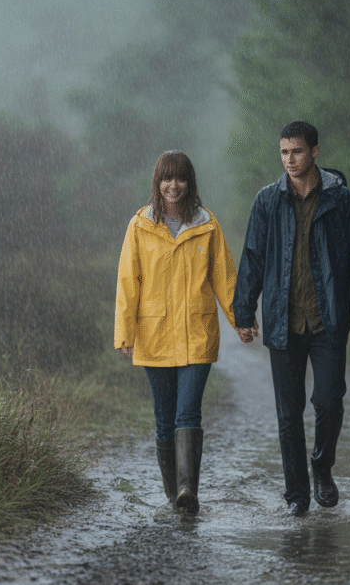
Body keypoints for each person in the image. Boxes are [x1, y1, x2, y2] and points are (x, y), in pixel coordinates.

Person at [233, 121, 350, 516]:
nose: (289, 160)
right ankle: (296, 495)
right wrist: (243, 311)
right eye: (283, 153)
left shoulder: (342, 200)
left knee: (329, 401)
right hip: (282, 321)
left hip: (328, 318)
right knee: (288, 413)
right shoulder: (267, 201)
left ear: (315, 151)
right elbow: (253, 259)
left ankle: (322, 467)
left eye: (296, 151)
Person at [114, 150, 241, 515]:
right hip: (153, 336)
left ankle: (187, 491)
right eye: (166, 178)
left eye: (180, 178)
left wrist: (240, 319)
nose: (173, 185)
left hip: (197, 334)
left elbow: (225, 278)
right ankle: (174, 495)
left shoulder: (207, 224)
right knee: (164, 417)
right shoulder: (139, 225)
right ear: (157, 183)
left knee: (188, 414)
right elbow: (128, 282)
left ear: (190, 183)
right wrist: (124, 331)